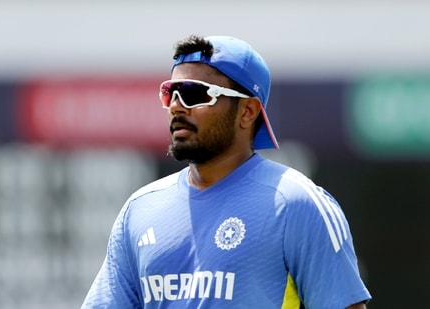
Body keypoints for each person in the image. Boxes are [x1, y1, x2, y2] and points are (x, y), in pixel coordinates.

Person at [81, 34, 371, 308]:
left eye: (195, 93)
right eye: (171, 93)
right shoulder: (139, 210)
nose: (178, 107)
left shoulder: (295, 203)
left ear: (247, 112)